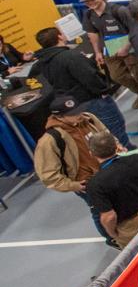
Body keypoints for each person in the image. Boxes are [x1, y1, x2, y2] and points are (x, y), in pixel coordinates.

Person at [31, 26, 133, 148]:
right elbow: (90, 77)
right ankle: (132, 160)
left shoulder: (43, 61)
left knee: (96, 137)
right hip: (91, 100)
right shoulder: (70, 57)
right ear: (59, 36)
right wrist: (104, 90)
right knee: (116, 130)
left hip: (73, 105)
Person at [32, 95, 113, 237]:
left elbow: (106, 135)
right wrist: (73, 185)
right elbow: (48, 175)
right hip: (87, 182)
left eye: (79, 110)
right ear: (60, 117)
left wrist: (117, 148)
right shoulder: (49, 141)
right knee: (100, 211)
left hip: (108, 171)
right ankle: (110, 238)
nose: (79, 115)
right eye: (73, 114)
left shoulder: (88, 118)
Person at [78, 0, 138, 111]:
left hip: (129, 45)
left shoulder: (119, 10)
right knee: (116, 76)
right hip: (110, 47)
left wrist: (126, 47)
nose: (90, 3)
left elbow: (135, 29)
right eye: (86, 1)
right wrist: (97, 52)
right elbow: (93, 34)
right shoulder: (88, 15)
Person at [84, 131, 138, 246]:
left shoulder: (95, 184)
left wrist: (113, 234)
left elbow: (109, 216)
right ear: (116, 147)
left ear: (91, 153)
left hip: (131, 229)